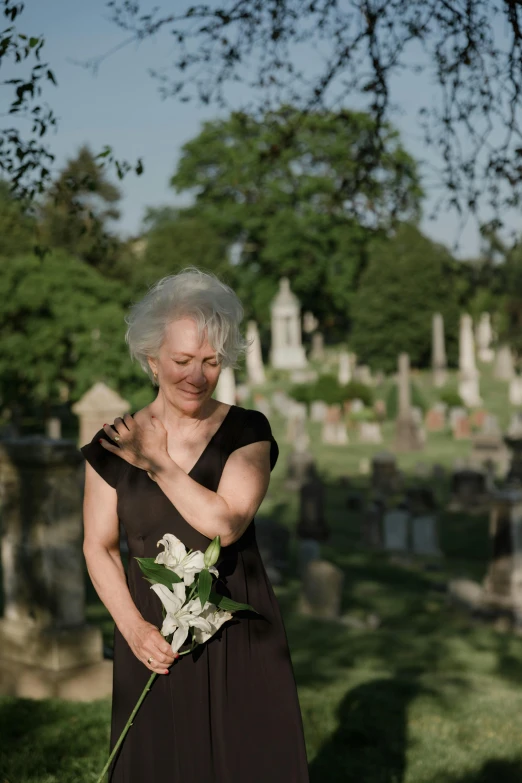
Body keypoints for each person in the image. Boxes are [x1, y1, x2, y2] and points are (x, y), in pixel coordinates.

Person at [80, 267, 309, 782]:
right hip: (152, 641)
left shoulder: (247, 431)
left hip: (238, 639)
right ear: (151, 359)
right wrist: (133, 629)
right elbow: (98, 546)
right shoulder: (110, 447)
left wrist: (159, 462)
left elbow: (224, 524)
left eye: (211, 362)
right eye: (182, 360)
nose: (196, 375)